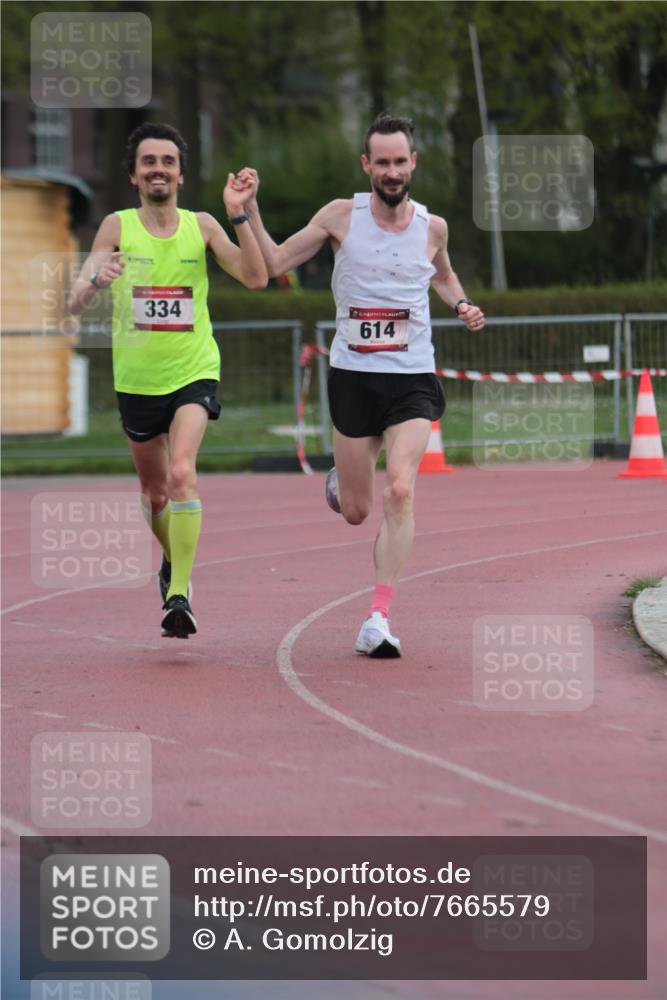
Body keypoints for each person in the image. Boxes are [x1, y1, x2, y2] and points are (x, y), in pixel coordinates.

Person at [239, 112, 484, 658]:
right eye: (383, 162)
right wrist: (249, 212)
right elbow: (277, 260)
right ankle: (344, 477)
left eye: (401, 161)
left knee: (400, 487)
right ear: (367, 164)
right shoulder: (339, 217)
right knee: (357, 511)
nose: (392, 171)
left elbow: (441, 272)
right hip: (354, 377)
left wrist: (462, 302)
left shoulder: (432, 227)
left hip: (413, 378)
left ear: (413, 163)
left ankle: (378, 616)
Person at [68, 122, 267, 638]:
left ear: (181, 172)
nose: (159, 169)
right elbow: (73, 301)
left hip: (193, 370)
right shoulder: (116, 226)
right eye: (149, 162)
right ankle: (171, 559)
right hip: (136, 379)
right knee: (155, 497)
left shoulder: (200, 225)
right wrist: (96, 278)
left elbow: (256, 277)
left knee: (182, 473)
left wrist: (239, 213)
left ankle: (179, 592)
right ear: (134, 175)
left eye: (168, 162)